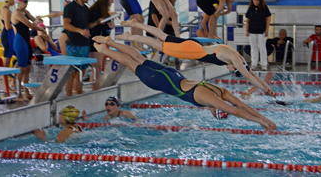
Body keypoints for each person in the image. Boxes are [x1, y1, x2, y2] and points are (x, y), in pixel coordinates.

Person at [92, 36, 277, 131]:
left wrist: (265, 119)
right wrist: (261, 122)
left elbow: (241, 105)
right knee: (131, 62)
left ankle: (111, 42)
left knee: (138, 57)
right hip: (164, 82)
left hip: (175, 75)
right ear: (216, 109)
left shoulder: (220, 90)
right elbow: (237, 111)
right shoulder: (212, 98)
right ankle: (103, 48)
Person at [119, 19, 274, 97]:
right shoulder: (235, 59)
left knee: (163, 36)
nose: (231, 70)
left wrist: (266, 87)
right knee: (159, 45)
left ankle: (136, 26)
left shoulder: (236, 56)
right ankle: (131, 35)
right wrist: (263, 88)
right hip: (192, 51)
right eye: (234, 71)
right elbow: (248, 75)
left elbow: (251, 73)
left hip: (194, 45)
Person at [11, 0, 46, 101]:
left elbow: (35, 22)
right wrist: (41, 29)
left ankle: (26, 93)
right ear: (19, 2)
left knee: (28, 69)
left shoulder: (25, 12)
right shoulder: (17, 13)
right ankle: (18, 94)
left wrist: (37, 24)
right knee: (22, 69)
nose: (27, 4)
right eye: (25, 2)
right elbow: (31, 24)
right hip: (20, 42)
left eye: (27, 2)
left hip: (26, 42)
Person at [63, 0, 92, 96]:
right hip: (73, 45)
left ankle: (78, 94)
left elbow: (87, 26)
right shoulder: (70, 7)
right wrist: (80, 30)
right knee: (72, 72)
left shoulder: (85, 8)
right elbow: (66, 25)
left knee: (82, 72)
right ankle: (68, 97)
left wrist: (98, 22)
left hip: (84, 43)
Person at [88, 0, 117, 91]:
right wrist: (104, 25)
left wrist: (109, 24)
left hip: (100, 40)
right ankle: (95, 90)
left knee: (99, 67)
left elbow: (102, 26)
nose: (112, 2)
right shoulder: (95, 10)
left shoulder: (103, 10)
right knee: (96, 68)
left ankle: (96, 89)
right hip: (95, 41)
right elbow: (90, 27)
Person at [245, 0, 271, 71]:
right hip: (252, 31)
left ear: (260, 1)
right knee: (253, 48)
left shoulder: (264, 8)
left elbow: (268, 19)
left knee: (262, 48)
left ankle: (264, 64)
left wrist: (267, 30)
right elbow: (247, 20)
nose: (256, 2)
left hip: (262, 31)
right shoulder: (250, 8)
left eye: (257, 0)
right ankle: (254, 64)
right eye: (254, 0)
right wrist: (246, 31)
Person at [0, 0, 16, 92]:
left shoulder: (4, 9)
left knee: (15, 60)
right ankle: (6, 87)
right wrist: (17, 23)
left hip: (7, 36)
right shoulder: (6, 10)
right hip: (8, 37)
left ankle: (12, 83)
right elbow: (8, 26)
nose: (14, 1)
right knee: (6, 63)